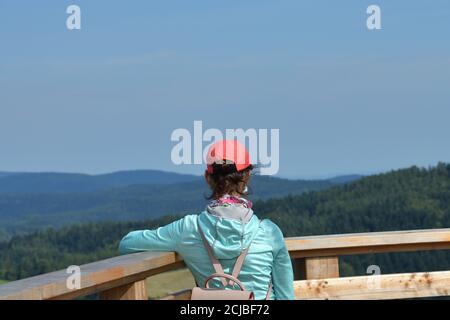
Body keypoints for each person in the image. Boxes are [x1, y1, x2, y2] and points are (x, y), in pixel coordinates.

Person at [119, 140, 294, 300]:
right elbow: (286, 296)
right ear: (247, 175)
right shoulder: (270, 232)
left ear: (207, 178)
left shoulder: (188, 229)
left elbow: (127, 243)